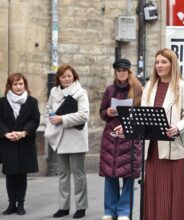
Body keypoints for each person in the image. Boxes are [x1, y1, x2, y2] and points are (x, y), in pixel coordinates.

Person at [114, 48, 184, 219]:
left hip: (175, 150)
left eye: (164, 62)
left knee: (175, 194)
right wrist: (126, 128)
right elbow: (142, 116)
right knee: (156, 193)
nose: (159, 65)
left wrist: (177, 128)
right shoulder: (150, 86)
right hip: (153, 150)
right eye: (157, 62)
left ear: (172, 64)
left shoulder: (182, 87)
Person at [99, 59, 143, 220]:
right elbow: (101, 111)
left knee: (129, 175)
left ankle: (124, 211)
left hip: (130, 136)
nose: (121, 72)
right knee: (110, 175)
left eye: (124, 70)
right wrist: (108, 112)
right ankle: (109, 211)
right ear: (116, 72)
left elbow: (141, 114)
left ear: (129, 71)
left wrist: (129, 114)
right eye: (118, 70)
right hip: (111, 137)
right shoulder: (110, 90)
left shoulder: (137, 89)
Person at [44, 64, 89, 219]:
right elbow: (48, 108)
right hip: (59, 137)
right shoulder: (54, 92)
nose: (66, 79)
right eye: (63, 76)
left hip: (76, 137)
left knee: (78, 174)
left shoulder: (81, 93)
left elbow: (84, 115)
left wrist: (61, 118)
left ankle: (81, 207)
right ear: (59, 78)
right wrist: (50, 118)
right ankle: (63, 207)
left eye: (69, 76)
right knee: (62, 173)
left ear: (74, 76)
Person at [0, 73, 40, 215]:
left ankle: (21, 204)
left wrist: (23, 133)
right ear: (10, 86)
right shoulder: (2, 102)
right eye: (15, 84)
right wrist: (6, 133)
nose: (18, 87)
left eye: (21, 84)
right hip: (8, 143)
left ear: (25, 85)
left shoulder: (32, 101)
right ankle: (11, 204)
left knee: (21, 174)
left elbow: (35, 120)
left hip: (25, 143)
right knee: (10, 174)